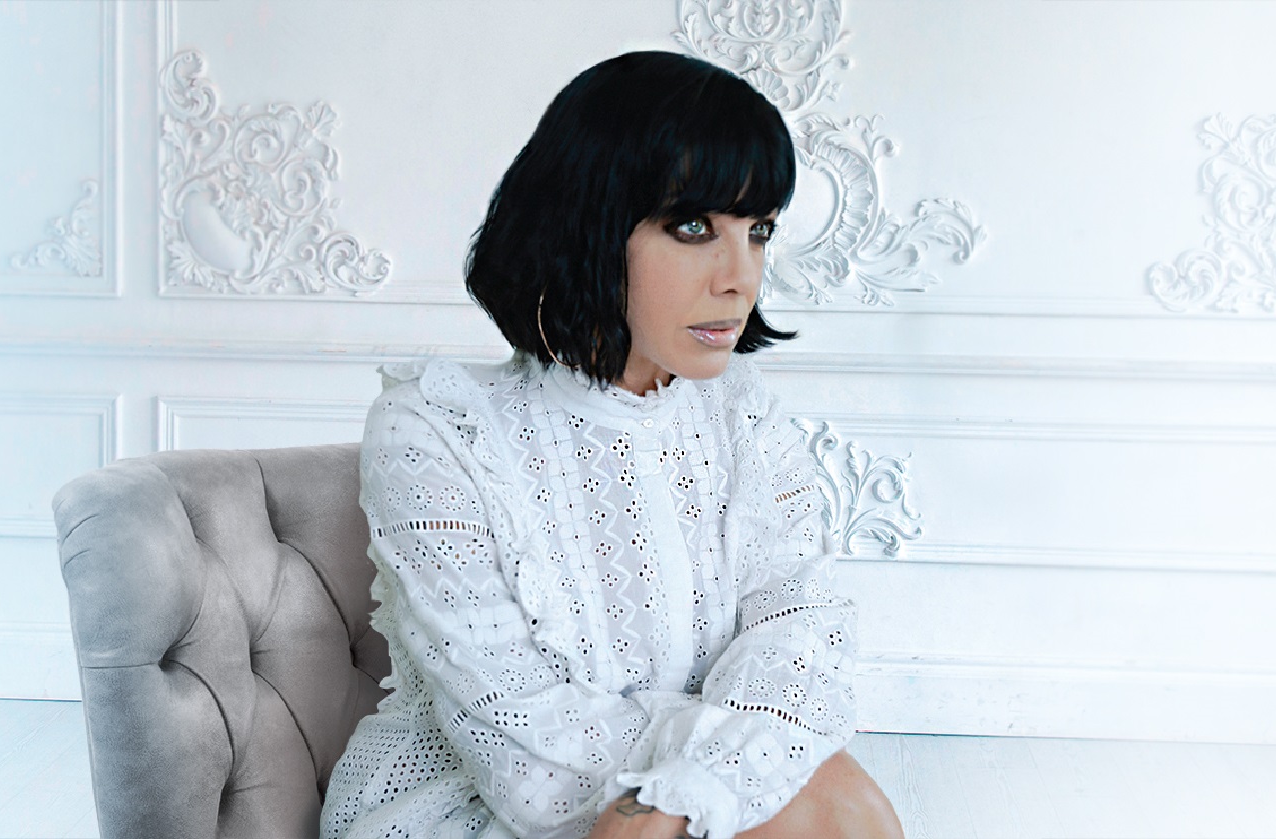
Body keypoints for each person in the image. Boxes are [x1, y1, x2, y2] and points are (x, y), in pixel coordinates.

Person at [322, 51, 903, 839]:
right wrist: (739, 755)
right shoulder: (436, 431)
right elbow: (524, 760)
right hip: (473, 813)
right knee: (827, 800)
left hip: (685, 809)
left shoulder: (745, 421)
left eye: (758, 230)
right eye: (694, 226)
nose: (741, 276)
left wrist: (693, 788)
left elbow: (807, 638)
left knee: (835, 803)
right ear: (589, 222)